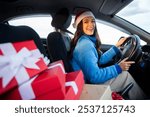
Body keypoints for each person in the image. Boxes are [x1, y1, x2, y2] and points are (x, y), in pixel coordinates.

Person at [69, 10, 146, 100]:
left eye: (92, 21)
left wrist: (116, 47)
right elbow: (95, 76)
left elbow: (99, 60)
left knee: (122, 73)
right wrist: (119, 68)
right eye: (86, 22)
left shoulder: (86, 41)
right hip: (90, 87)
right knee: (125, 76)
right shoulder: (85, 46)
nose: (91, 25)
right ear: (80, 26)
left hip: (89, 82)